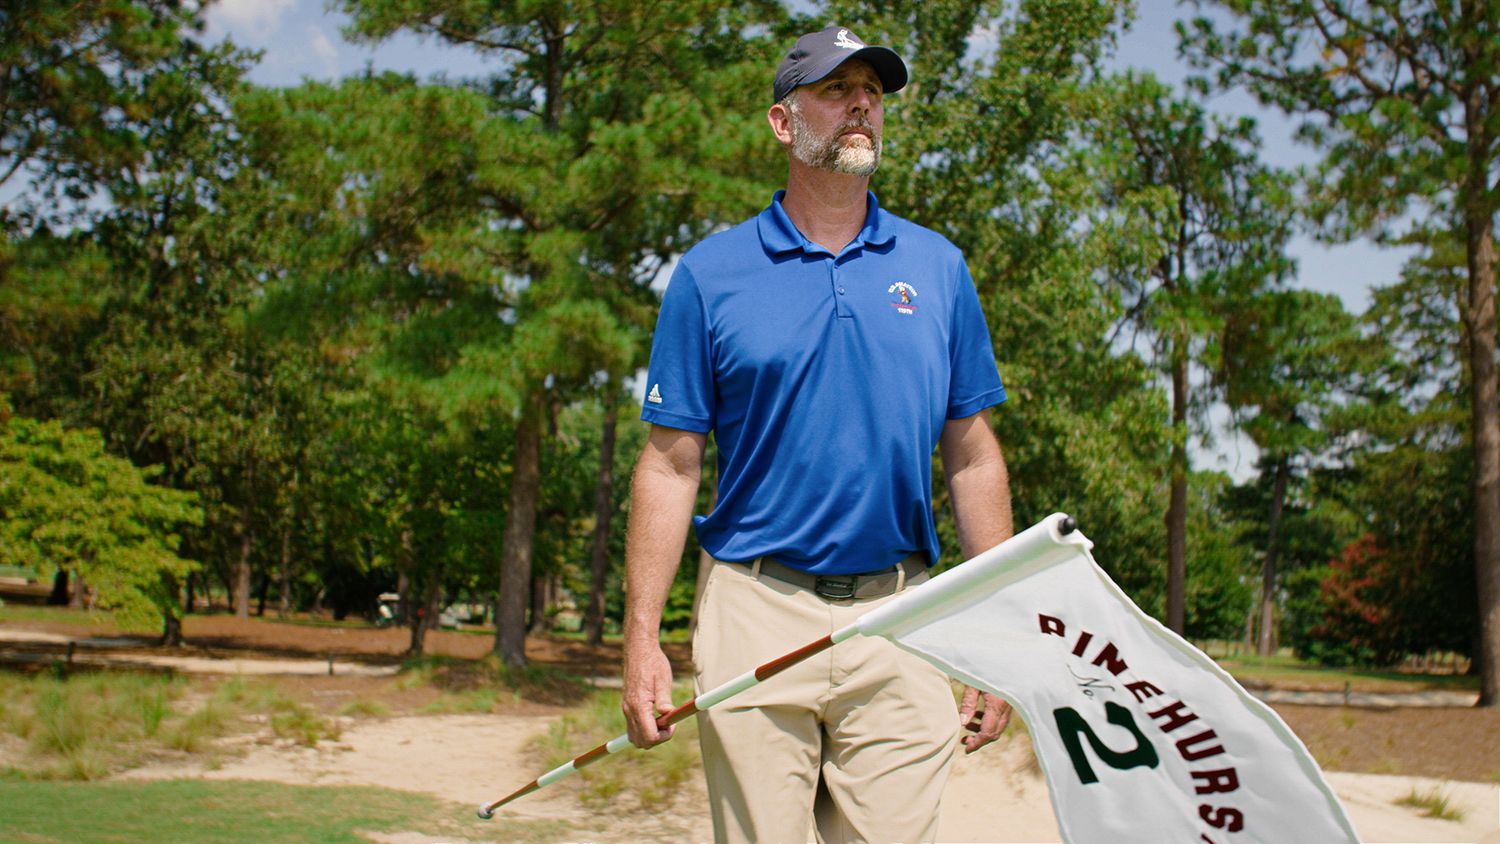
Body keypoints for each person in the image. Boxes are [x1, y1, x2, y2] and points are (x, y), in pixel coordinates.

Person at [622, 24, 1016, 844]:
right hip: (755, 605)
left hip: (903, 616)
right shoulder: (709, 274)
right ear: (782, 123)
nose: (861, 104)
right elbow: (669, 465)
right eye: (836, 90)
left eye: (871, 90)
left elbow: (973, 456)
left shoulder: (939, 267)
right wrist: (642, 639)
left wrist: (999, 637)